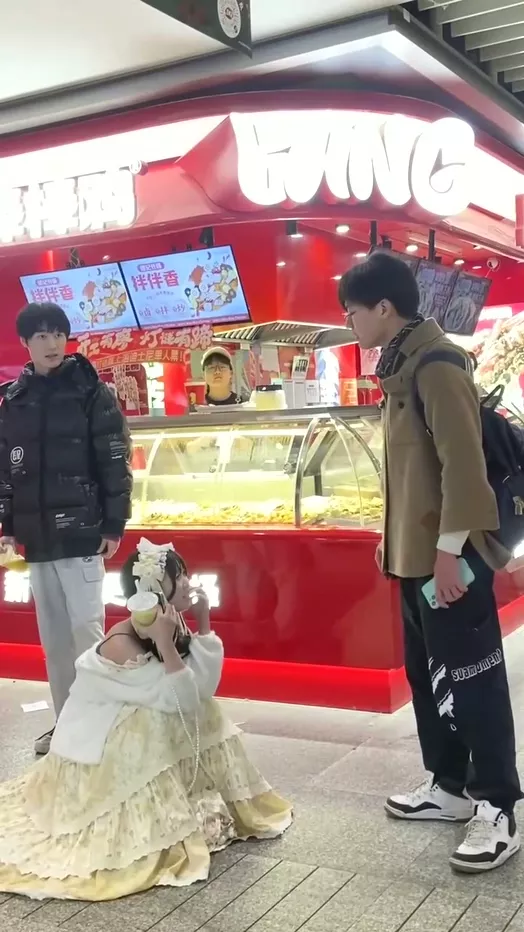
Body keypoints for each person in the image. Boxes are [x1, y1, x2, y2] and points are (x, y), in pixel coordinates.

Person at [338, 251, 522, 873]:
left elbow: (463, 469)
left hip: (451, 557)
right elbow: (412, 470)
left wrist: (447, 555)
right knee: (429, 675)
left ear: (384, 307)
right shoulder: (400, 366)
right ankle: (449, 785)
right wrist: (392, 540)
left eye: (353, 312)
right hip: (415, 556)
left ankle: (497, 804)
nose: (351, 324)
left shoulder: (437, 365)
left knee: (472, 679)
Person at [0, 537, 292, 900]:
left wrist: (203, 625)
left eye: (184, 574)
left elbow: (201, 691)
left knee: (199, 711)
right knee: (150, 722)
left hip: (136, 723)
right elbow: (180, 700)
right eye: (178, 577)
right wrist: (167, 646)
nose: (186, 582)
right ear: (150, 592)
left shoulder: (166, 622)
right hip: (96, 751)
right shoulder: (123, 643)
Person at [0, 302, 132, 756]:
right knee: (55, 641)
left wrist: (114, 522)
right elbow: (6, 470)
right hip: (36, 540)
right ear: (25, 343)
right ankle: (67, 724)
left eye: (58, 334)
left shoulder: (91, 391)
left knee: (87, 635)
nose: (52, 343)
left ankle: (102, 725)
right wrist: (7, 525)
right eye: (41, 336)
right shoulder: (14, 400)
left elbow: (114, 459)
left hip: (82, 532)